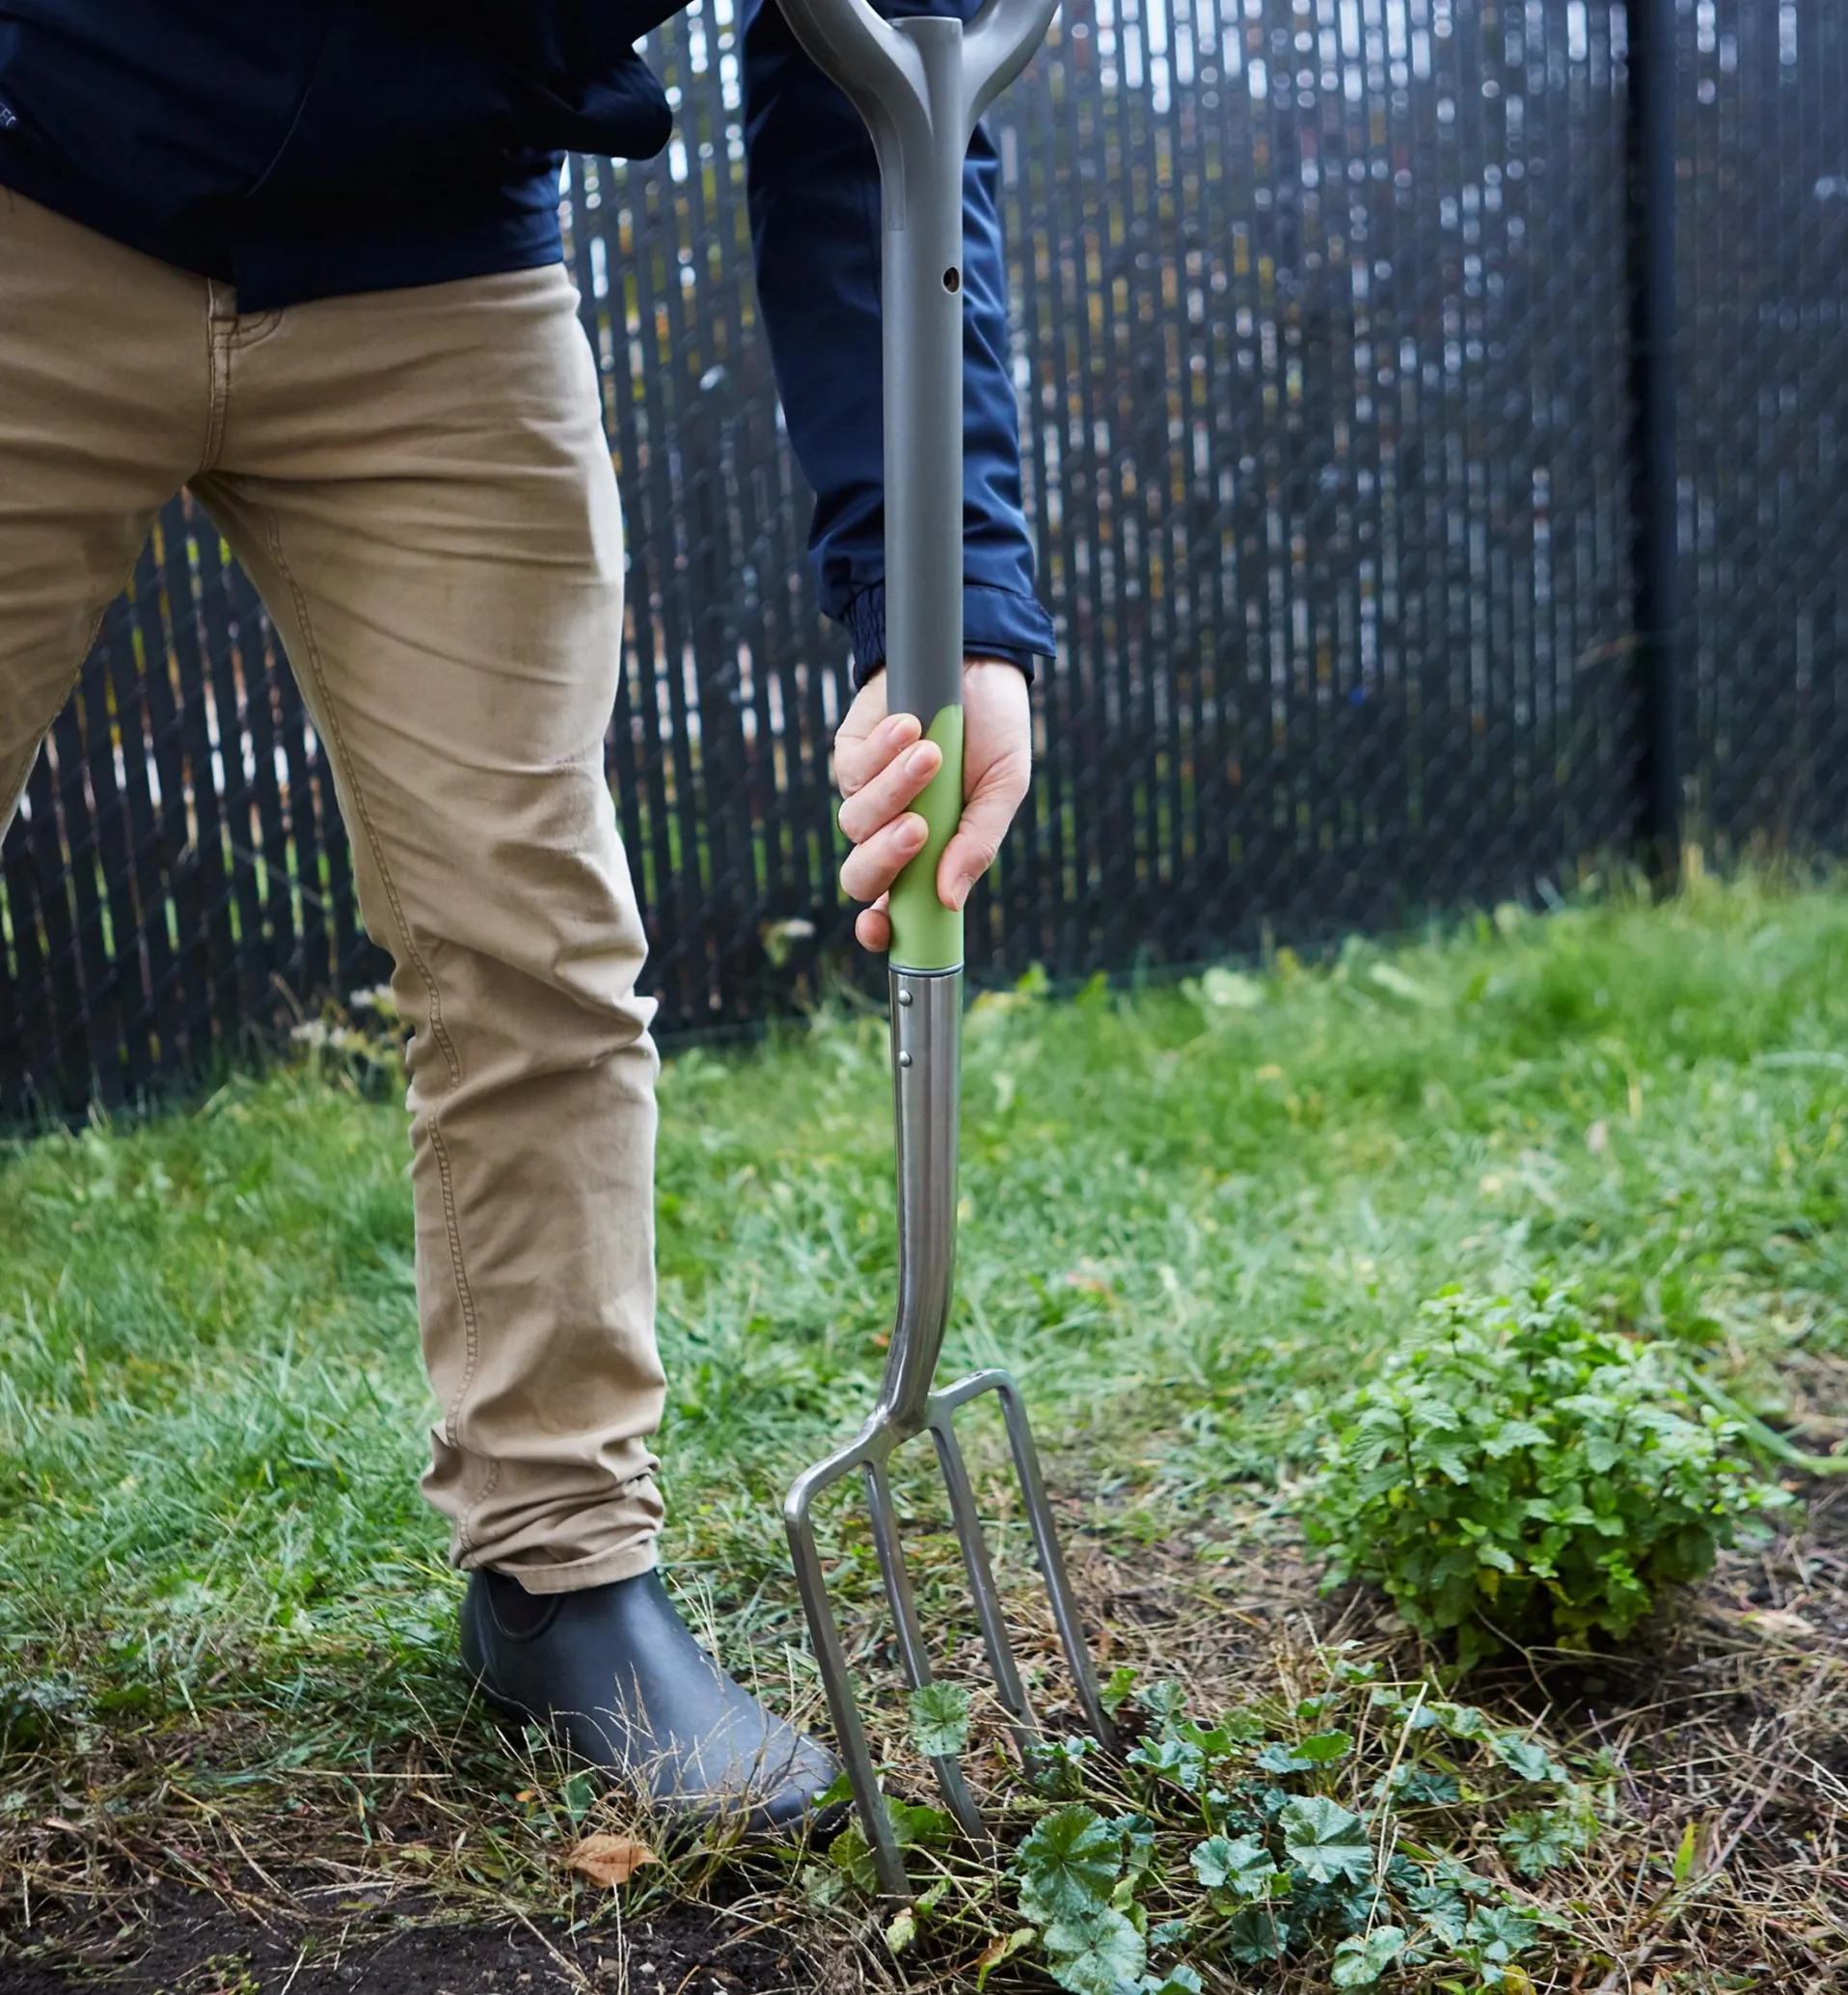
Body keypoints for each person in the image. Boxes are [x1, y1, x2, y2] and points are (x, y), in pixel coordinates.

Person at [0, 0, 1051, 1830]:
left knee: (534, 946)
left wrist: (948, 597)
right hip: (39, 186)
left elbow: (876, 98)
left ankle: (563, 1578)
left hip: (438, 279)